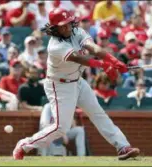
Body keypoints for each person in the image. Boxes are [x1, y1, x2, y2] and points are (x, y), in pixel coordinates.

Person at [13, 8, 140, 161]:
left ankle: (122, 146)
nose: (67, 27)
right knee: (61, 128)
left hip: (78, 81)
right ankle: (25, 144)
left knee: (98, 113)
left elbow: (93, 48)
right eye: (62, 25)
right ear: (55, 28)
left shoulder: (76, 31)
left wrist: (114, 61)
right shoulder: (55, 46)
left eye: (68, 23)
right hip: (59, 86)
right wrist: (103, 65)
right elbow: (79, 58)